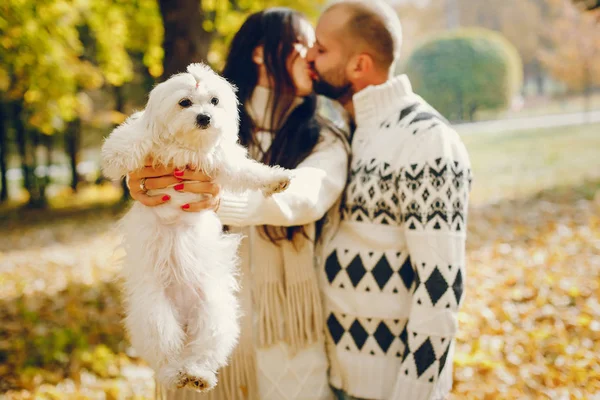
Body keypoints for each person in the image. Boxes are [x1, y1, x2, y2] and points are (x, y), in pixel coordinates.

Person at [128, 7, 349, 400]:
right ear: (261, 52)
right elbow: (148, 152)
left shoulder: (322, 130)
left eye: (317, 47)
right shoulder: (205, 113)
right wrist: (143, 179)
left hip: (282, 320)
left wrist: (218, 198)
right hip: (189, 302)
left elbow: (308, 192)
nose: (312, 55)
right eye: (302, 42)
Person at [305, 1, 472, 400]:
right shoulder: (340, 134)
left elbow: (441, 288)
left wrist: (414, 393)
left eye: (321, 49)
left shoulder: (427, 141)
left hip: (389, 390)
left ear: (359, 65)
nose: (308, 56)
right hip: (331, 380)